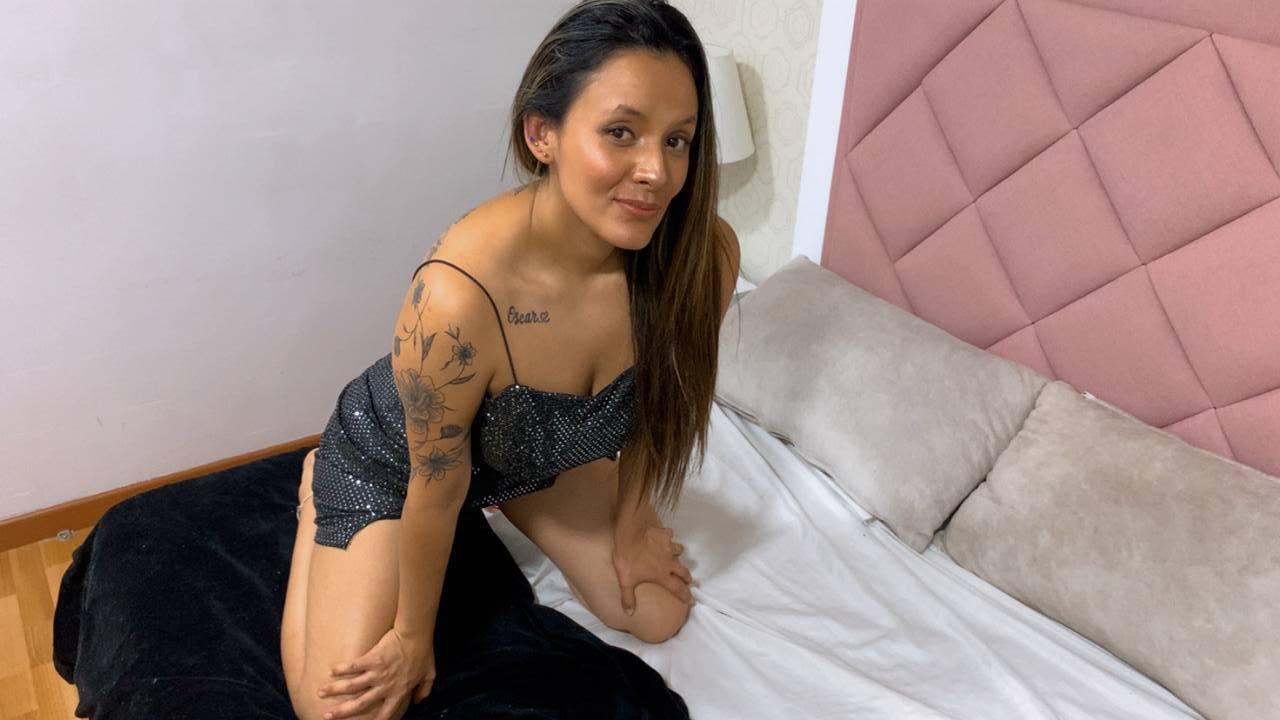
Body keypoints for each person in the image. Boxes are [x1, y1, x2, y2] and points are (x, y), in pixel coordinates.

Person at [280, 0, 741, 717]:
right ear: (542, 134)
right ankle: (319, 486)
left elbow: (661, 408)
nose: (656, 171)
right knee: (342, 711)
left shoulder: (701, 257)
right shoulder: (457, 294)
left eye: (677, 139)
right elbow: (436, 488)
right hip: (399, 463)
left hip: (526, 459)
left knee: (656, 611)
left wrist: (630, 527)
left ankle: (509, 498)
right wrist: (412, 636)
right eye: (621, 132)